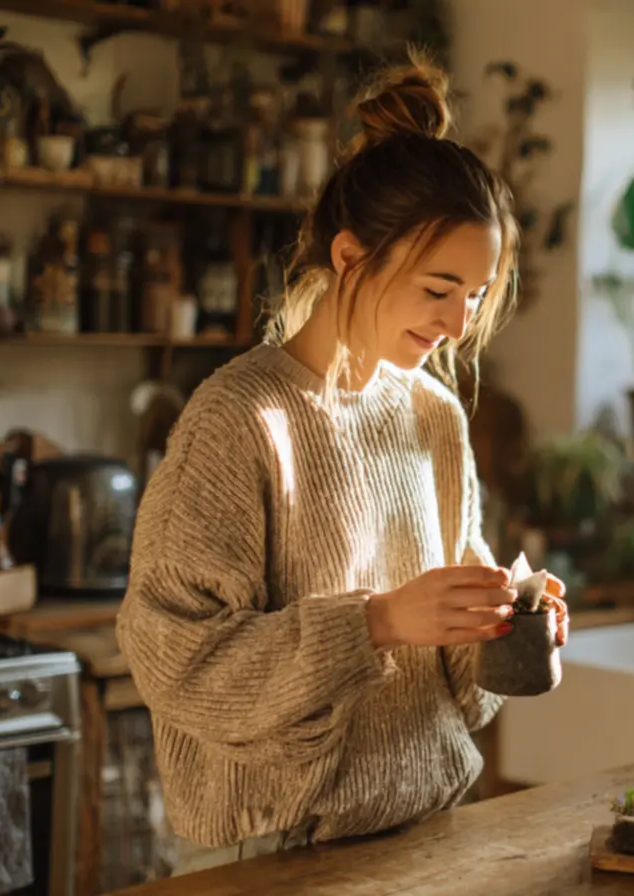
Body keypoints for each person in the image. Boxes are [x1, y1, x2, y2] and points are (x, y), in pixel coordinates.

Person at [115, 55, 568, 875]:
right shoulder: (240, 419)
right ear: (352, 257)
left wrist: (503, 625)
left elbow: (459, 693)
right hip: (271, 854)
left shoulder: (434, 416)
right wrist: (380, 621)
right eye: (439, 289)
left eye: (477, 293)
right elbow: (176, 664)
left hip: (426, 831)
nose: (458, 324)